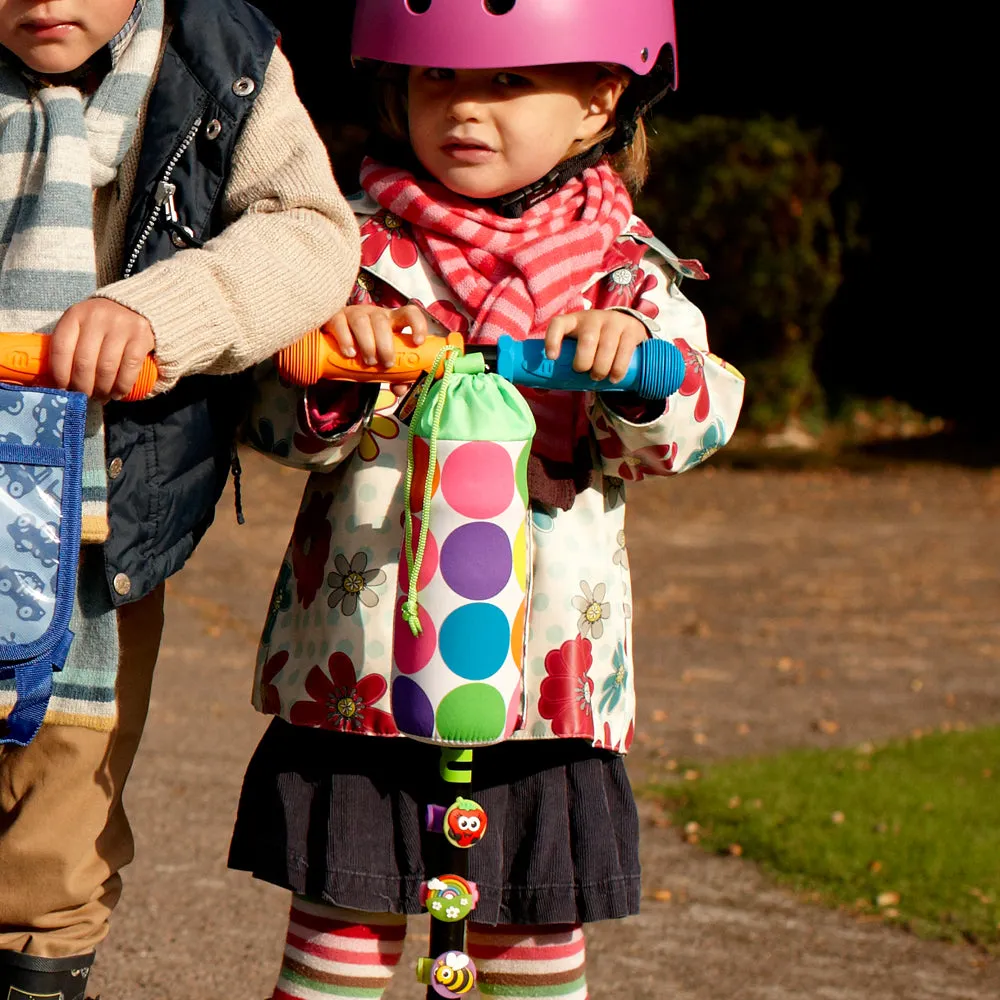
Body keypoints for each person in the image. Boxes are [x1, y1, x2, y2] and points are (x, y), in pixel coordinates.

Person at [229, 1, 745, 997]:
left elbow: (701, 416)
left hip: (539, 691)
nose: (463, 108)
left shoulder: (624, 273)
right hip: (364, 680)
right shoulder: (349, 251)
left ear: (600, 100)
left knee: (527, 952)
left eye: (507, 83)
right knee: (339, 942)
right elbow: (266, 424)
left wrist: (639, 370)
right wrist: (329, 368)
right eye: (438, 80)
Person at [0, 0, 361, 996]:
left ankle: (40, 966)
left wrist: (155, 312)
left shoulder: (217, 58)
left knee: (54, 820)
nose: (43, 0)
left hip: (89, 523)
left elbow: (309, 238)